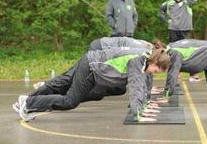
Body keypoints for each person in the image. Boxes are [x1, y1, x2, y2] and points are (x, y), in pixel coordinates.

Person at [14, 47, 170, 122]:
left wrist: (145, 104)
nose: (154, 73)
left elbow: (143, 83)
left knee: (60, 84)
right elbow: (136, 87)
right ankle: (28, 102)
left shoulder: (144, 59)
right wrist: (138, 114)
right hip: (91, 68)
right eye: (157, 70)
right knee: (69, 101)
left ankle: (25, 102)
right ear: (155, 61)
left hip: (91, 63)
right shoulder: (138, 61)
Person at [160, 0, 198, 82]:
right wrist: (167, 20)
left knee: (188, 51)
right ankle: (176, 74)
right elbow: (161, 12)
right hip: (173, 30)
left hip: (185, 30)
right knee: (174, 52)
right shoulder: (168, 3)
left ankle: (192, 74)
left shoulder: (187, 2)